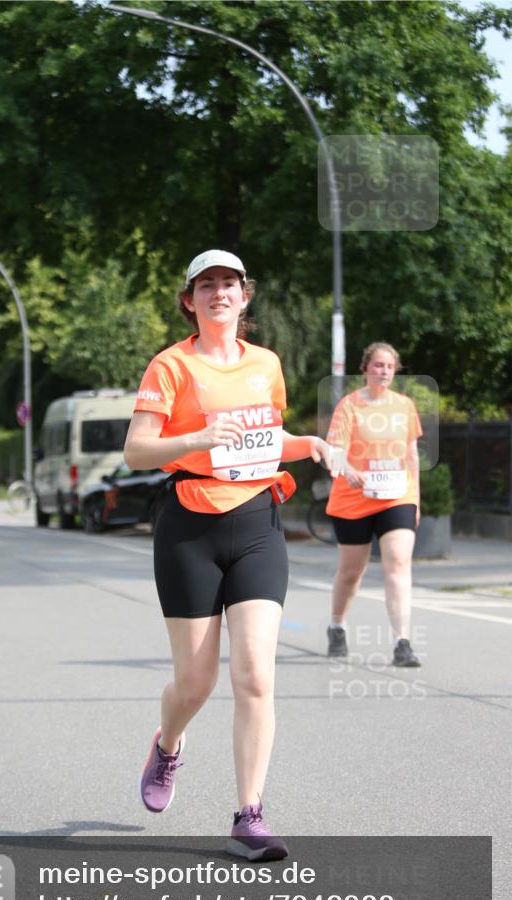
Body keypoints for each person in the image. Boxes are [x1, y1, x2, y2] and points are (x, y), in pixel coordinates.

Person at [124, 249, 338, 861]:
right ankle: (168, 744)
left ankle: (249, 815)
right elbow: (137, 450)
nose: (220, 292)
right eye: (207, 284)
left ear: (246, 298)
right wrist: (195, 437)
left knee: (256, 675)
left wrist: (309, 443)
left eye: (231, 283)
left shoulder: (265, 365)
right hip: (190, 526)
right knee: (195, 683)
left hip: (257, 523)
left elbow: (264, 443)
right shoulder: (170, 365)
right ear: (189, 300)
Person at [325, 342, 422, 667]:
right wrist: (348, 470)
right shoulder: (349, 406)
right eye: (378, 365)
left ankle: (402, 642)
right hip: (354, 498)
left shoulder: (405, 406)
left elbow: (411, 455)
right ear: (365, 368)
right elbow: (334, 449)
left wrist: (416, 499)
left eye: (389, 367)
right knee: (352, 571)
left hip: (397, 495)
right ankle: (337, 625)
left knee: (398, 563)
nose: (383, 371)